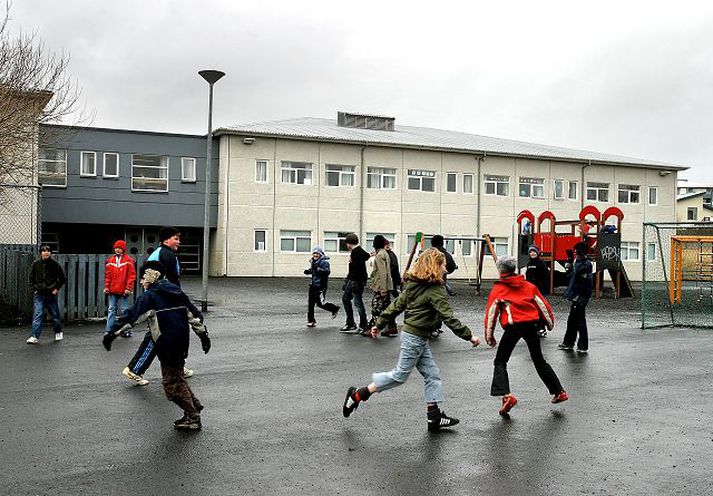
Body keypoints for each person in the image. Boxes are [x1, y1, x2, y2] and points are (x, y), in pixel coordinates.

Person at [342, 248, 480, 431]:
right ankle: (358, 395)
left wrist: (379, 323)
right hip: (414, 339)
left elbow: (396, 305)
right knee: (399, 376)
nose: (446, 269)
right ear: (434, 266)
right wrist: (469, 336)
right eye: (444, 265)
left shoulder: (414, 284)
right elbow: (449, 318)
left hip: (416, 337)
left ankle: (434, 417)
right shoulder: (436, 290)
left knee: (432, 374)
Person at [103, 261, 211, 431]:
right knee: (178, 377)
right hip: (181, 343)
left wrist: (112, 333)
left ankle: (193, 416)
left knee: (171, 385)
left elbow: (132, 317)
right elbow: (194, 316)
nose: (141, 282)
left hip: (166, 345)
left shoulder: (151, 297)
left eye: (143, 278)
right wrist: (203, 335)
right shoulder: (177, 292)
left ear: (152, 276)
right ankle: (194, 407)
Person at [485, 256, 568, 416]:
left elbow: (491, 314)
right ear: (514, 268)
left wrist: (490, 336)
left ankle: (506, 396)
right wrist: (549, 324)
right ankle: (559, 391)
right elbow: (543, 305)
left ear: (500, 270)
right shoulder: (528, 286)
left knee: (500, 361)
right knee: (538, 359)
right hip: (531, 325)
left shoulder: (498, 289)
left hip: (513, 327)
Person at [121, 227, 192, 386]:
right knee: (156, 335)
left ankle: (177, 367)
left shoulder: (161, 253)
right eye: (176, 238)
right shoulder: (165, 255)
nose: (179, 242)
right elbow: (168, 282)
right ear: (166, 240)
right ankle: (135, 369)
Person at [26, 245, 66, 344]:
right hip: (39, 293)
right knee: (38, 314)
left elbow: (62, 278)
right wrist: (34, 289)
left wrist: (56, 288)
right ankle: (35, 336)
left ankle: (58, 331)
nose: (46, 252)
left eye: (48, 251)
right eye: (44, 251)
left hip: (50, 293)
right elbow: (31, 278)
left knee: (54, 314)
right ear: (40, 253)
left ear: (51, 253)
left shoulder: (55, 264)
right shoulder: (36, 264)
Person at [559, 242, 593, 354]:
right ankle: (569, 343)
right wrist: (569, 268)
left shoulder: (585, 263)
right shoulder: (579, 262)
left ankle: (581, 345)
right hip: (577, 295)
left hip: (581, 296)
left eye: (576, 250)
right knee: (572, 320)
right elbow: (571, 278)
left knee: (580, 321)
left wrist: (577, 295)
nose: (575, 252)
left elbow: (582, 281)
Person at [104, 239, 136, 337]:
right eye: (116, 248)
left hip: (124, 290)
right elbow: (107, 275)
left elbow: (131, 276)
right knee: (111, 310)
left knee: (124, 311)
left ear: (123, 249)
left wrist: (128, 288)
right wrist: (106, 287)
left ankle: (125, 331)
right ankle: (109, 330)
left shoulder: (129, 260)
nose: (117, 250)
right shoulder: (110, 260)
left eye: (120, 248)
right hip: (112, 290)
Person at [362, 235, 392, 336]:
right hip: (386, 285)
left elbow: (382, 273)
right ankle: (390, 327)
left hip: (381, 287)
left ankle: (372, 329)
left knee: (376, 308)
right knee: (386, 308)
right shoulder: (385, 253)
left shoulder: (379, 255)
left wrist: (382, 289)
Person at [340, 233, 370, 333]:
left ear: (349, 244)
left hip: (355, 281)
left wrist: (350, 282)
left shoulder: (355, 253)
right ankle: (352, 323)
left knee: (357, 302)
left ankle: (362, 324)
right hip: (355, 280)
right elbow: (366, 256)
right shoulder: (359, 251)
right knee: (346, 299)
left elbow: (356, 270)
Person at [304, 245, 340, 327]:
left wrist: (318, 269)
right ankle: (311, 320)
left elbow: (327, 272)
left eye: (317, 253)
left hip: (321, 286)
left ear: (320, 254)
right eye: (314, 253)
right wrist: (308, 271)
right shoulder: (313, 261)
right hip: (313, 285)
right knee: (311, 304)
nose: (315, 255)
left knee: (320, 304)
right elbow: (314, 271)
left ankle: (334, 308)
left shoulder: (324, 262)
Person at [525, 244, 550, 337]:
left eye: (534, 252)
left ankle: (542, 328)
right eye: (530, 252)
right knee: (531, 309)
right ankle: (534, 327)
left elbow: (545, 276)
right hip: (530, 290)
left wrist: (542, 288)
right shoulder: (529, 264)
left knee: (539, 309)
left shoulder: (541, 263)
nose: (532, 253)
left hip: (539, 290)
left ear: (537, 253)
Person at [382, 239, 401, 337]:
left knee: (389, 304)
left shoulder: (388, 254)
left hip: (391, 282)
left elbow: (393, 267)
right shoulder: (390, 254)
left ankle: (391, 326)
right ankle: (391, 325)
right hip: (393, 282)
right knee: (391, 303)